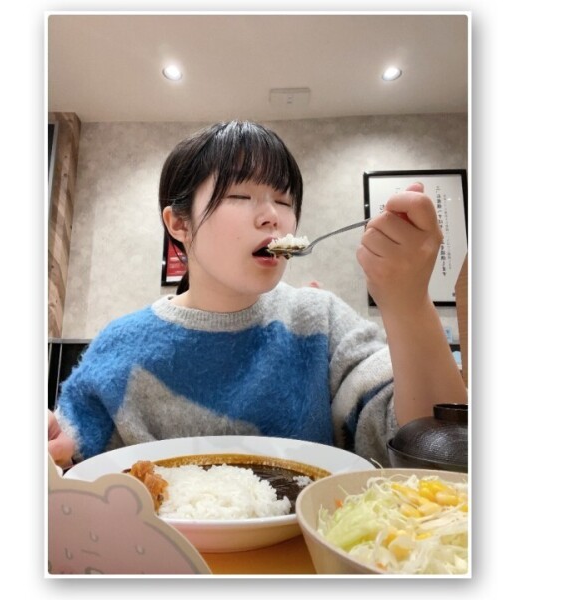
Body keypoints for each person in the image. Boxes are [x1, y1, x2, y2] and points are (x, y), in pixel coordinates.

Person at [52, 120, 466, 467]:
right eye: (239, 195)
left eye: (284, 200)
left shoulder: (318, 321)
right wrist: (54, 447)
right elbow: (72, 465)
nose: (273, 217)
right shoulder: (122, 347)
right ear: (179, 224)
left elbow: (439, 454)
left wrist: (407, 301)